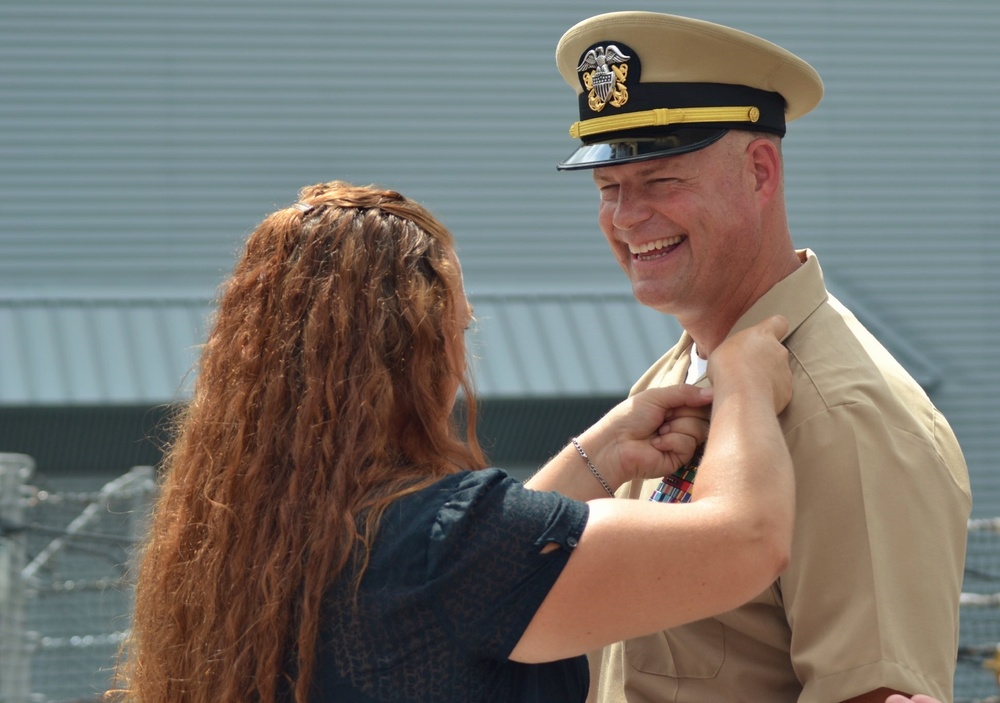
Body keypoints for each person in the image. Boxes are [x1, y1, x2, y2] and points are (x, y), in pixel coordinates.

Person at [108, 180, 802, 703]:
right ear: (413, 345)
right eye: (459, 331)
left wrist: (604, 451)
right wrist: (743, 380)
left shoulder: (249, 537)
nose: (460, 357)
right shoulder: (448, 544)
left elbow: (477, 589)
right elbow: (745, 541)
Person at [553, 11, 972, 703]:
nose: (626, 216)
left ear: (759, 170)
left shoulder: (846, 415)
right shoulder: (671, 381)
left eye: (659, 181)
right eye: (607, 188)